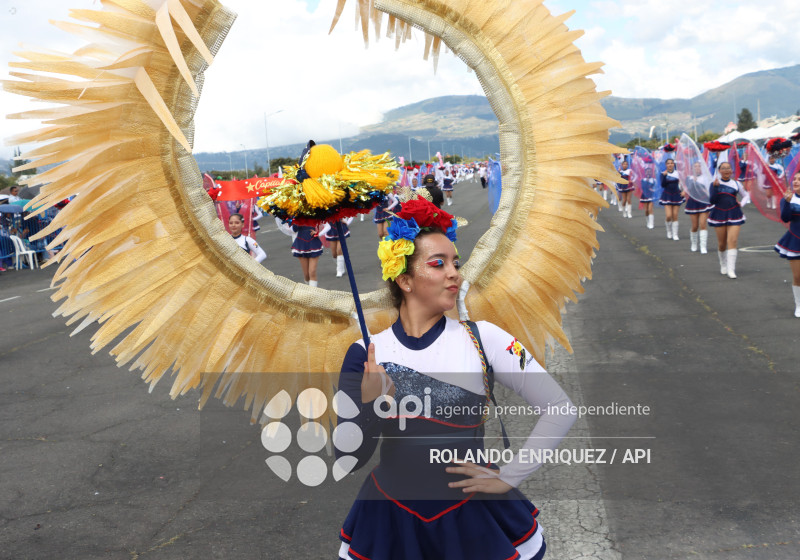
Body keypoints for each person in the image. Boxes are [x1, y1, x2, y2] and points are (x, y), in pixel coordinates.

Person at [335, 196, 577, 560]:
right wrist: (370, 404)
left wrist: (511, 475)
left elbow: (560, 408)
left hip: (474, 519)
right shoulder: (366, 353)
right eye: (438, 263)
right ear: (404, 279)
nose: (455, 273)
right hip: (392, 519)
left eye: (455, 263)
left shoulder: (484, 338)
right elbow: (348, 458)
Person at [708, 162, 746, 279]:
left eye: (728, 168)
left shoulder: (736, 183)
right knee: (722, 244)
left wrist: (742, 203)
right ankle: (723, 264)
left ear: (731, 170)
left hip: (734, 213)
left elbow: (746, 195)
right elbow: (712, 201)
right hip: (719, 214)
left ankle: (731, 269)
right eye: (723, 168)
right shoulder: (714, 184)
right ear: (719, 171)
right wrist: (715, 188)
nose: (726, 170)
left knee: (733, 241)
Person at [774, 171, 800, 317]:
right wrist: (788, 203)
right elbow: (785, 218)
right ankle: (799, 305)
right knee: (798, 276)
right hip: (795, 240)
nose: (796, 181)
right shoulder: (788, 199)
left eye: (799, 179)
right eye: (795, 179)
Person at [683, 161, 713, 253]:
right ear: (692, 169)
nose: (697, 168)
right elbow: (688, 189)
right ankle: (694, 243)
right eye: (695, 166)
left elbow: (709, 190)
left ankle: (703, 246)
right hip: (693, 203)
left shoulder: (706, 178)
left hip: (704, 202)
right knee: (695, 226)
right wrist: (694, 181)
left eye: (699, 166)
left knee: (703, 224)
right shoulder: (689, 178)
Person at [659, 158, 684, 240]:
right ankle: (669, 230)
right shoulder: (663, 174)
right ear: (666, 165)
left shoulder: (678, 173)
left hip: (676, 195)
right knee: (669, 216)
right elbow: (663, 185)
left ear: (674, 164)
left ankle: (675, 234)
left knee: (675, 215)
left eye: (672, 163)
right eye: (668, 163)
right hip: (667, 195)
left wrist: (684, 191)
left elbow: (683, 183)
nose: (670, 165)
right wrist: (665, 176)